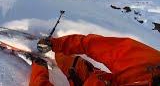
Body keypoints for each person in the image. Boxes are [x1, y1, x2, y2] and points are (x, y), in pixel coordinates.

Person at [29, 34, 160, 86]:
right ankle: (56, 53)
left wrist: (38, 70)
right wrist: (57, 44)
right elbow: (98, 46)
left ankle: (41, 62)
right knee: (70, 61)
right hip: (98, 80)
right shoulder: (152, 62)